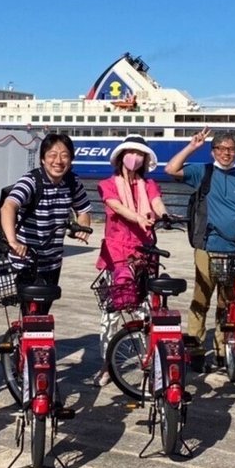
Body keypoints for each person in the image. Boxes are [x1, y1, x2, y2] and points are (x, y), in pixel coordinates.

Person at [165, 128, 235, 371]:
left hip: (233, 248)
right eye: (222, 148)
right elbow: (170, 169)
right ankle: (194, 348)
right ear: (214, 150)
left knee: (227, 302)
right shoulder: (202, 171)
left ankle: (221, 349)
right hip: (207, 247)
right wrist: (192, 147)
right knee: (201, 298)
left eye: (232, 149)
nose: (227, 153)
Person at [94, 135, 166, 386]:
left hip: (143, 255)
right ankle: (106, 366)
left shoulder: (149, 184)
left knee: (148, 311)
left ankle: (150, 361)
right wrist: (138, 217)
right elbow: (115, 206)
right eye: (131, 152)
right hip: (115, 254)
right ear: (121, 156)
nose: (134, 158)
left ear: (145, 160)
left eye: (140, 154)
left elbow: (156, 202)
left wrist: (165, 214)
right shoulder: (108, 184)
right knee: (111, 314)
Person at [0, 132, 93, 313]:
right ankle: (27, 339)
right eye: (52, 155)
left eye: (64, 155)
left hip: (53, 261)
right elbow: (8, 207)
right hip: (26, 260)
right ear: (42, 159)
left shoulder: (73, 182)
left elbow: (83, 210)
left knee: (43, 312)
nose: (58, 161)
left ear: (71, 160)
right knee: (31, 313)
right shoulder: (31, 181)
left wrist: (82, 226)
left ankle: (34, 339)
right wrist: (13, 241)